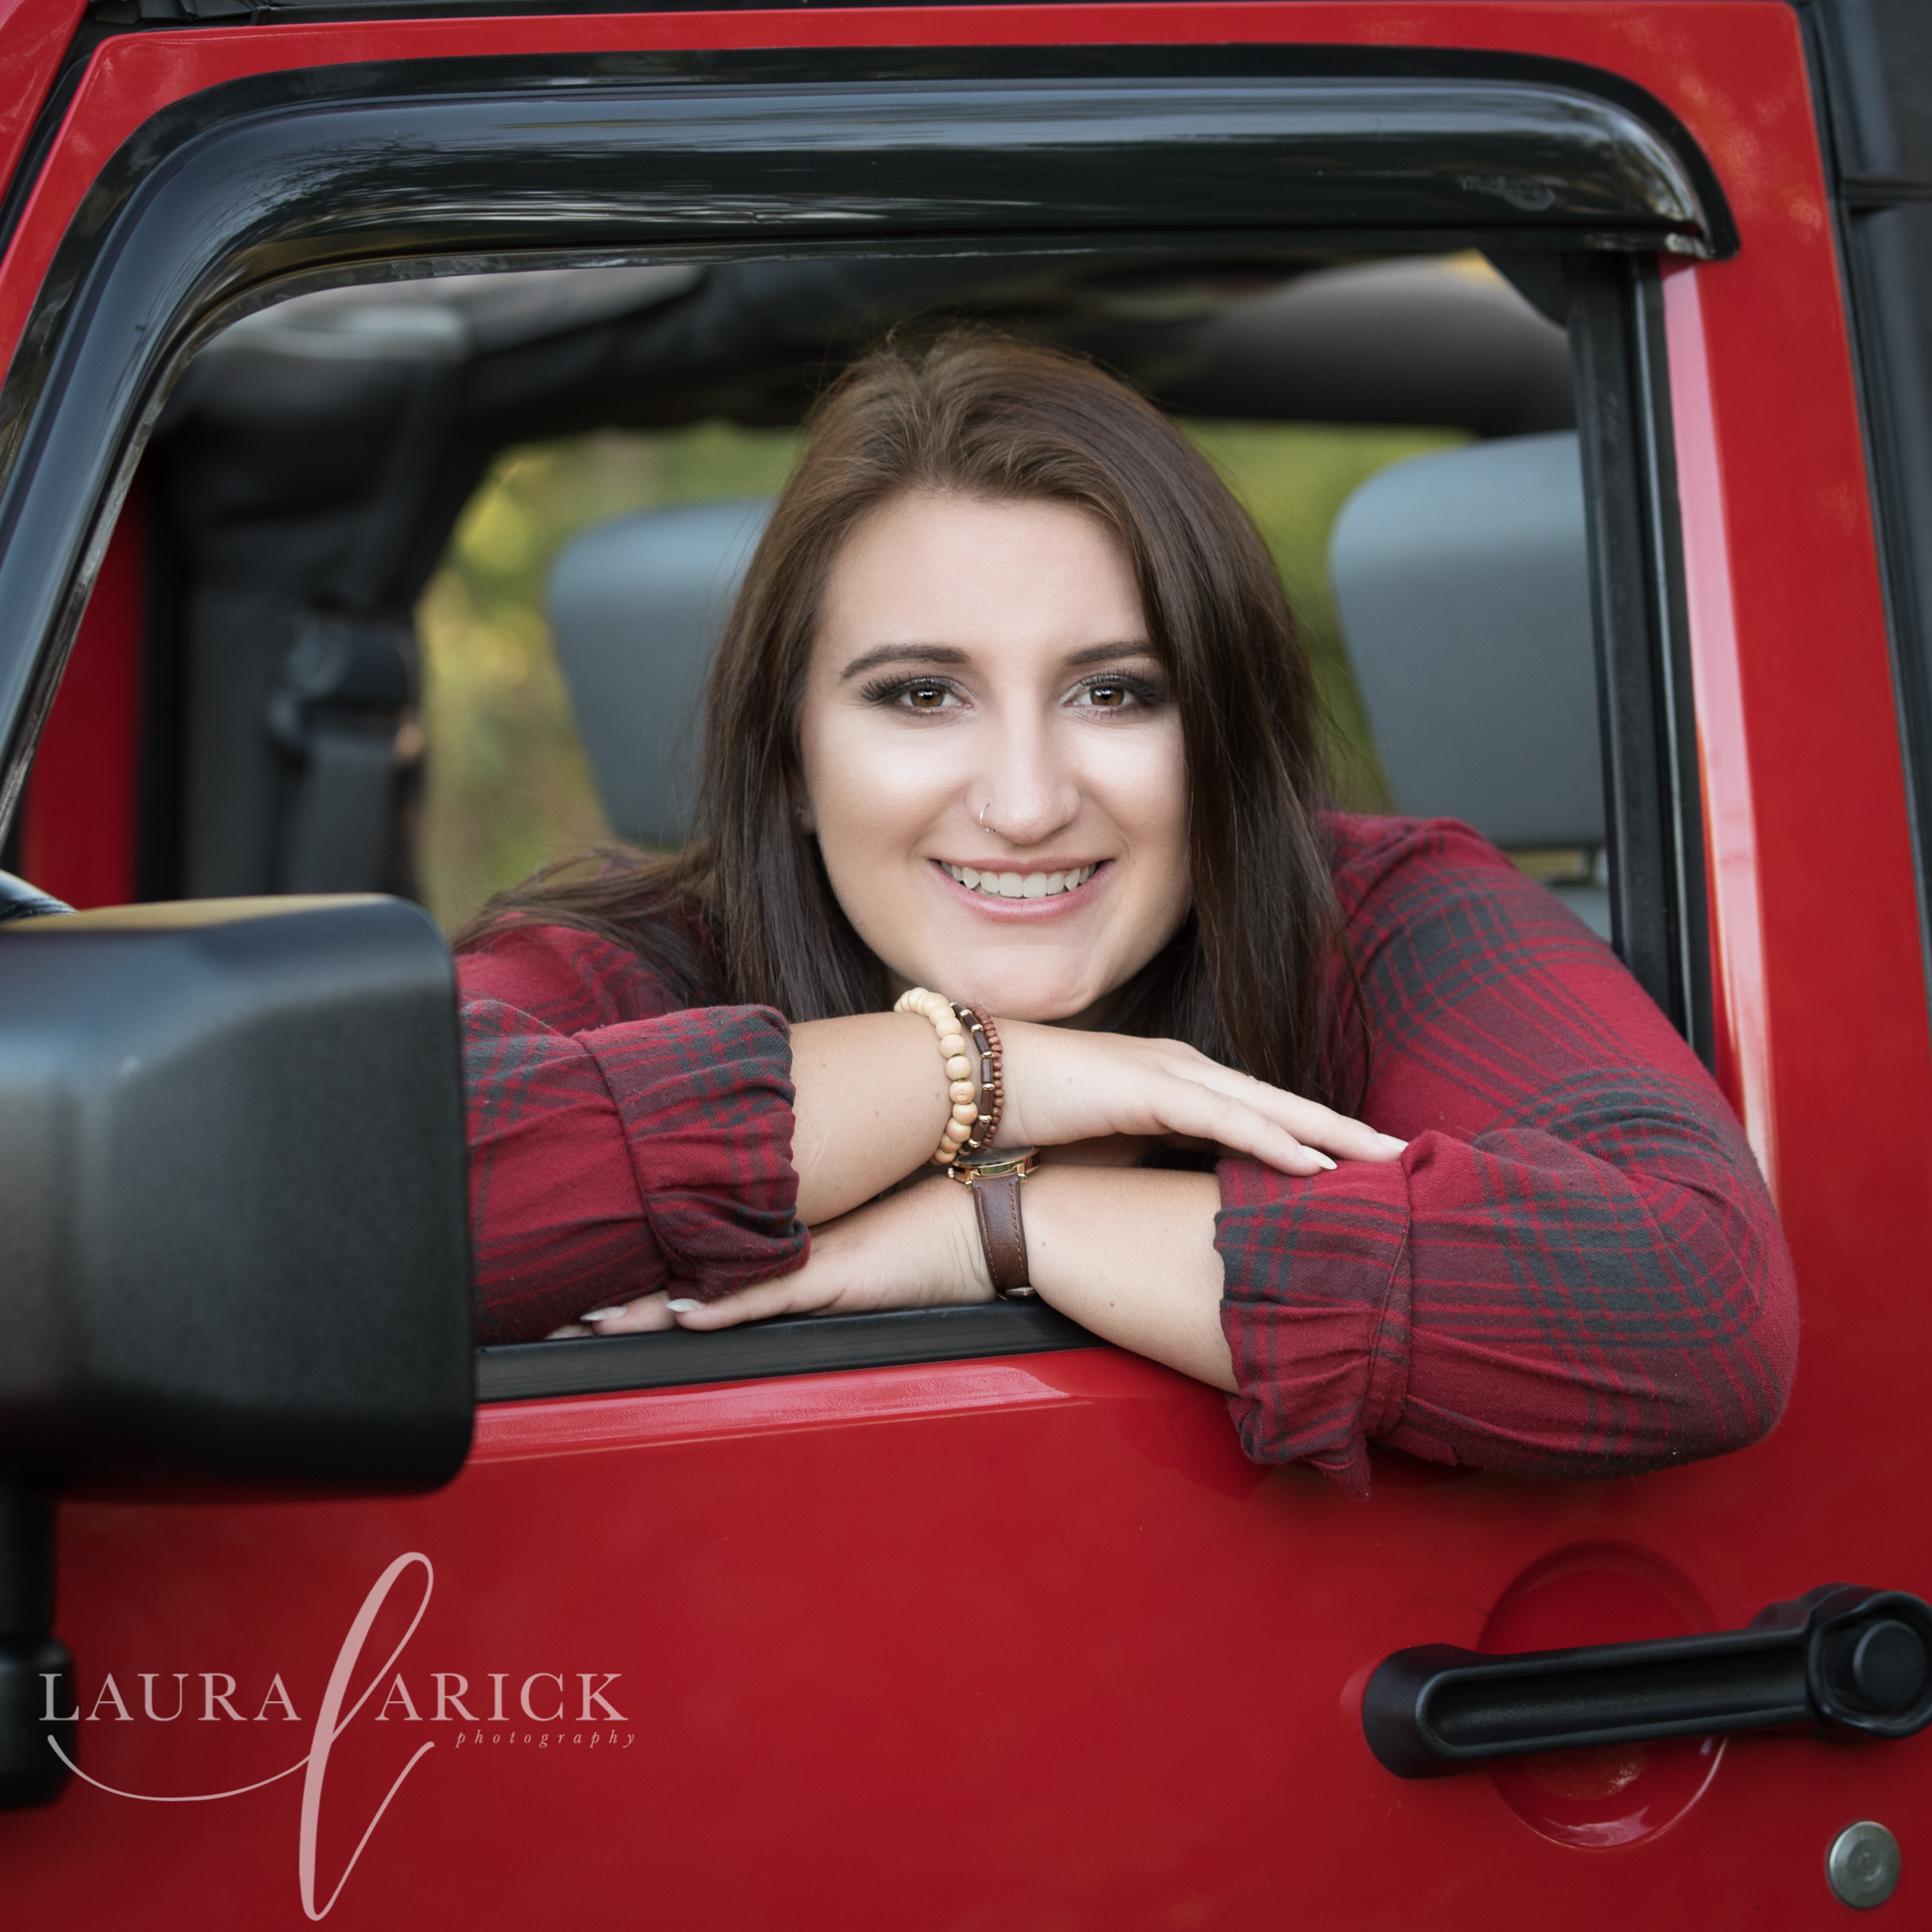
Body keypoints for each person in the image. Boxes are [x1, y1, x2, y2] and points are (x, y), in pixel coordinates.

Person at [455, 332, 1795, 1496]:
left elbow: (1692, 1299)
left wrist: (996, 1221)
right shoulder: (633, 965)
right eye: (922, 694)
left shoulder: (1372, 917)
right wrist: (976, 1073)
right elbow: (337, 1210)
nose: (1030, 804)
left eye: (1117, 693)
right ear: (791, 757)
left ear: (1222, 732)